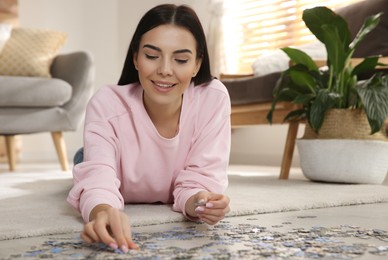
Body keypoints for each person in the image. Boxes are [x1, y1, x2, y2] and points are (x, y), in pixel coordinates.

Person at [67, 4, 231, 253]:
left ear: (198, 64)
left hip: (156, 173)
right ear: (135, 58)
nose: (165, 70)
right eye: (152, 56)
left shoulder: (213, 98)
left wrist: (201, 202)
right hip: (118, 168)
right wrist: (102, 211)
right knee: (85, 163)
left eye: (181, 59)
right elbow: (99, 180)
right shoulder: (107, 103)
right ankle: (83, 157)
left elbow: (201, 179)